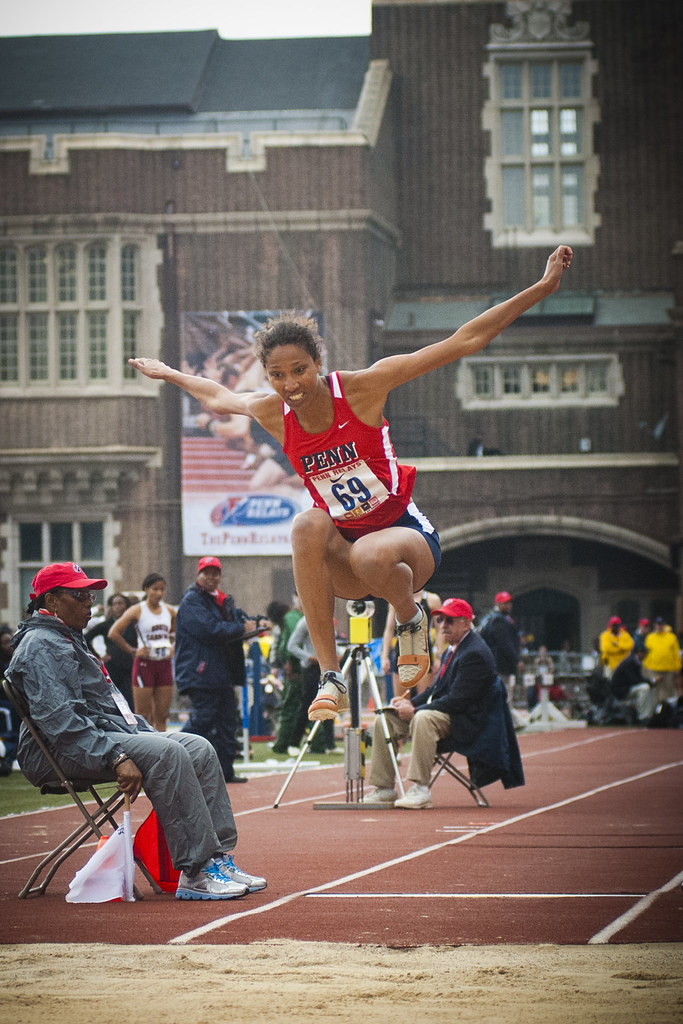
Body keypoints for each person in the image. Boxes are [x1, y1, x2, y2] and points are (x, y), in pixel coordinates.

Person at [128, 245, 573, 722]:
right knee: (306, 524)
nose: (290, 384)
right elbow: (218, 396)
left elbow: (463, 340)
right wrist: (169, 373)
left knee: (370, 552)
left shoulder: (362, 388)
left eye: (299, 370)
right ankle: (330, 674)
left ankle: (409, 616)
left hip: (406, 544)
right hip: (350, 561)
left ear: (317, 362)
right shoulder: (272, 410)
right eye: (277, 375)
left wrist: (542, 288)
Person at [5, 562, 266, 901]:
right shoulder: (42, 644)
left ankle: (217, 858)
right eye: (80, 595)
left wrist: (138, 733)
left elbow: (104, 709)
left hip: (97, 734)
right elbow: (60, 723)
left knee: (198, 746)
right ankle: (197, 872)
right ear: (52, 601)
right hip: (57, 751)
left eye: (90, 595)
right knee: (169, 753)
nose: (89, 602)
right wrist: (115, 755)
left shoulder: (66, 636)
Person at [363, 598, 497, 809]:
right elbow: (436, 690)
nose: (443, 625)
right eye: (441, 620)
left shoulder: (474, 653)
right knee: (386, 717)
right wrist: (406, 703)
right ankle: (384, 788)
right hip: (448, 713)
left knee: (423, 718)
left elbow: (457, 701)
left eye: (450, 621)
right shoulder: (454, 648)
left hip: (464, 720)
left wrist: (415, 709)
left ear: (466, 623)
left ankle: (421, 789)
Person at [174, 556, 257, 784]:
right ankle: (174, 757)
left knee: (227, 722)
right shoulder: (192, 601)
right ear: (198, 575)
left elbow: (239, 620)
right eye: (207, 572)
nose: (211, 577)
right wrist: (243, 627)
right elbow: (209, 630)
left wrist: (256, 624)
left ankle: (224, 772)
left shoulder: (222, 600)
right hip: (200, 671)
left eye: (215, 573)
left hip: (221, 672)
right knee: (202, 719)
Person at [108, 573, 177, 732]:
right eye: (155, 589)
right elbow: (113, 633)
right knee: (144, 716)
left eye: (162, 589)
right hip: (145, 665)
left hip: (164, 663)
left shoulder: (169, 610)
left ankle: (163, 751)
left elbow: (178, 631)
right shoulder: (137, 610)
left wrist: (173, 646)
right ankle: (146, 751)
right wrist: (133, 650)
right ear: (146, 589)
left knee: (162, 715)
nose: (159, 593)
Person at [286, 614, 336, 754]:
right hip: (311, 669)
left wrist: (337, 655)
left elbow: (332, 642)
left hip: (327, 666)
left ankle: (329, 744)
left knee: (329, 701)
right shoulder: (305, 621)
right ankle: (294, 743)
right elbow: (292, 646)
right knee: (307, 704)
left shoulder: (328, 617)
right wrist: (309, 658)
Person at [381, 589, 442, 699]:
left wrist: (439, 656)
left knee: (423, 699)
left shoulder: (432, 600)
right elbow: (389, 630)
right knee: (400, 701)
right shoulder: (396, 598)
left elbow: (439, 630)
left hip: (423, 652)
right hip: (402, 652)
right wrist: (384, 656)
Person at [266, 597, 305, 756]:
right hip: (301, 666)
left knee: (289, 706)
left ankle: (282, 743)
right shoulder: (295, 616)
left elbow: (292, 642)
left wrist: (289, 661)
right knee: (304, 705)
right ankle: (318, 743)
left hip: (295, 667)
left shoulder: (288, 619)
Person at [85, 593, 136, 708]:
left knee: (131, 702)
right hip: (113, 667)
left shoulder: (133, 625)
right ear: (111, 608)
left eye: (120, 603)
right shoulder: (106, 625)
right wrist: (98, 656)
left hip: (130, 668)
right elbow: (86, 638)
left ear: (127, 606)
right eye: (114, 604)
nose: (117, 606)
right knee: (113, 701)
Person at [479, 590, 521, 712]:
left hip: (493, 664)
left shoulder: (490, 618)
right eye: (505, 603)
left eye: (509, 603)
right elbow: (505, 644)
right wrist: (516, 660)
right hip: (500, 665)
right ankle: (505, 725)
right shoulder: (499, 620)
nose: (509, 605)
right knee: (504, 696)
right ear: (498, 604)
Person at [610, 649, 656, 724]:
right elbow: (634, 680)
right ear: (639, 653)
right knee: (644, 688)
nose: (646, 655)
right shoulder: (630, 662)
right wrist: (651, 681)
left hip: (628, 688)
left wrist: (651, 683)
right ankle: (643, 717)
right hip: (622, 691)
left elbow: (637, 679)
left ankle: (650, 715)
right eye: (644, 653)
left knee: (649, 687)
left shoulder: (635, 661)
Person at [643, 617, 682, 702]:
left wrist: (677, 667)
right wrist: (646, 666)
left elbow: (676, 653)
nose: (659, 626)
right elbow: (647, 652)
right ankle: (656, 711)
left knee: (669, 691)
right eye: (658, 624)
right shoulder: (650, 637)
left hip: (668, 669)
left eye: (661, 624)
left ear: (664, 625)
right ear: (655, 626)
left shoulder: (671, 637)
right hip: (654, 669)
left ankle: (669, 710)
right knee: (655, 691)